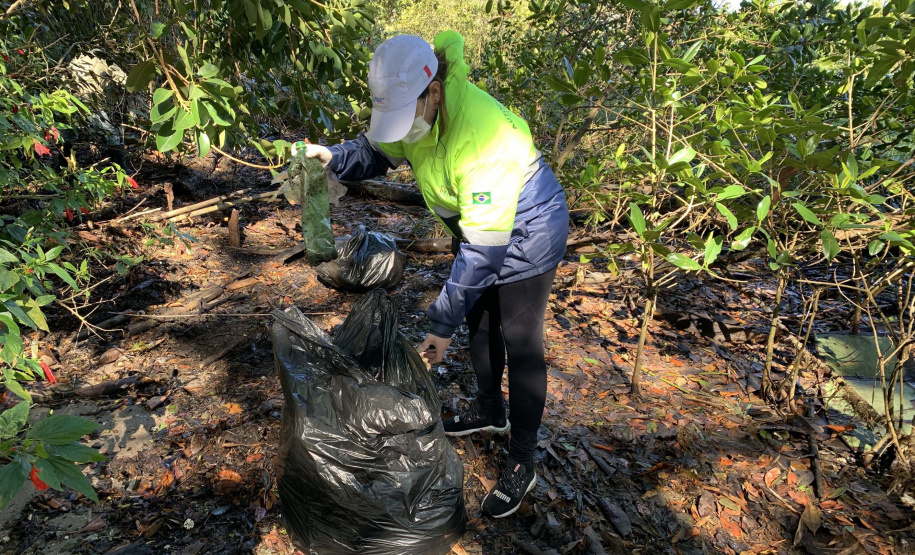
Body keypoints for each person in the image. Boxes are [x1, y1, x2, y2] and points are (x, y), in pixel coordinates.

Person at [302, 31, 569, 519]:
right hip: (475, 227)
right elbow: (379, 151)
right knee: (481, 324)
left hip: (529, 229)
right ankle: (489, 412)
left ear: (435, 92)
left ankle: (522, 459)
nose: (402, 130)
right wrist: (334, 158)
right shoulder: (416, 111)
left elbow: (485, 255)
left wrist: (437, 325)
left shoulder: (479, 136)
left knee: (520, 338)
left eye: (407, 117)